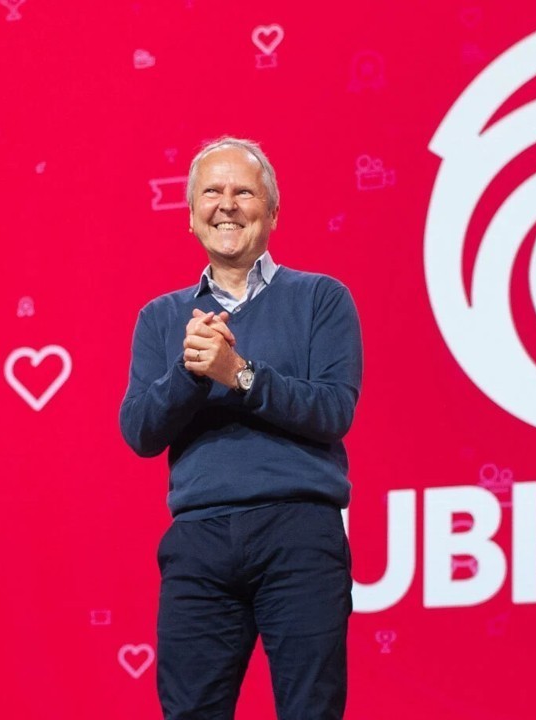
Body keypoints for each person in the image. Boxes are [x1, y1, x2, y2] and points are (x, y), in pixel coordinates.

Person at [119, 136, 362, 719]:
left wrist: (240, 375)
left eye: (244, 192)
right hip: (198, 540)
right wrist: (190, 372)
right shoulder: (161, 318)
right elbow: (140, 432)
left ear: (272, 213)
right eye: (211, 192)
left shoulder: (322, 299)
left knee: (311, 710)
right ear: (191, 217)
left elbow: (334, 410)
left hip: (299, 533)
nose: (226, 204)